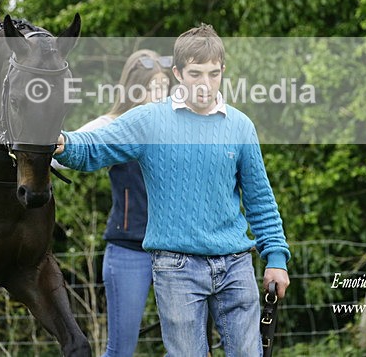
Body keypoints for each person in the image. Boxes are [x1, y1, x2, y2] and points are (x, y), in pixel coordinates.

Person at [55, 24, 291, 356]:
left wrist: (276, 257)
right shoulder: (149, 120)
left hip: (235, 264)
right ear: (178, 74)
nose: (205, 84)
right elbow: (95, 147)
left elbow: (260, 201)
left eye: (213, 74)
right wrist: (61, 142)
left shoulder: (240, 126)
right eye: (195, 74)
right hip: (176, 269)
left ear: (223, 71)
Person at [71, 49, 170, 356]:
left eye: (164, 87)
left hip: (174, 251)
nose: (161, 94)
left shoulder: (176, 124)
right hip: (129, 249)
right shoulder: (114, 124)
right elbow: (68, 149)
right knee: (121, 350)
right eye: (154, 87)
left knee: (188, 347)